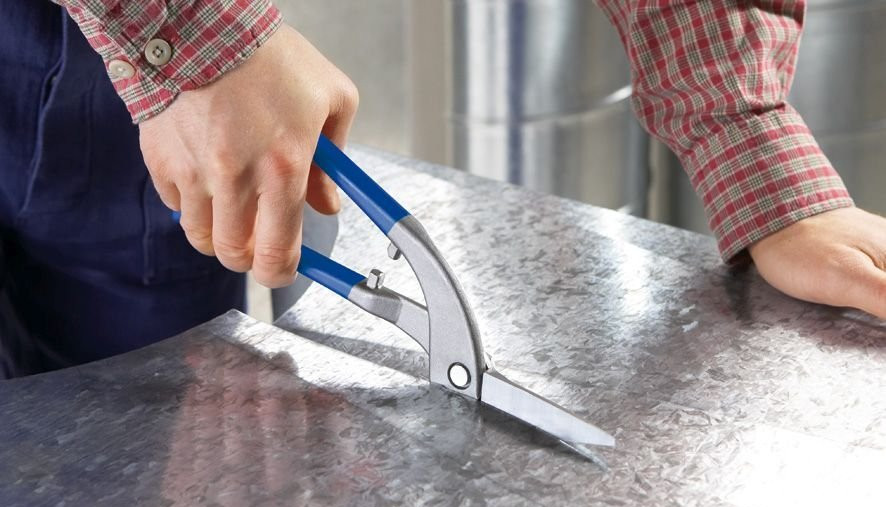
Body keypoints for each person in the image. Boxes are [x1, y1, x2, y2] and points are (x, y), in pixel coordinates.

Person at [0, 1, 882, 378]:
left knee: (130, 423)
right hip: (134, 52)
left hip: (110, 89)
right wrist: (189, 36)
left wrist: (747, 138)